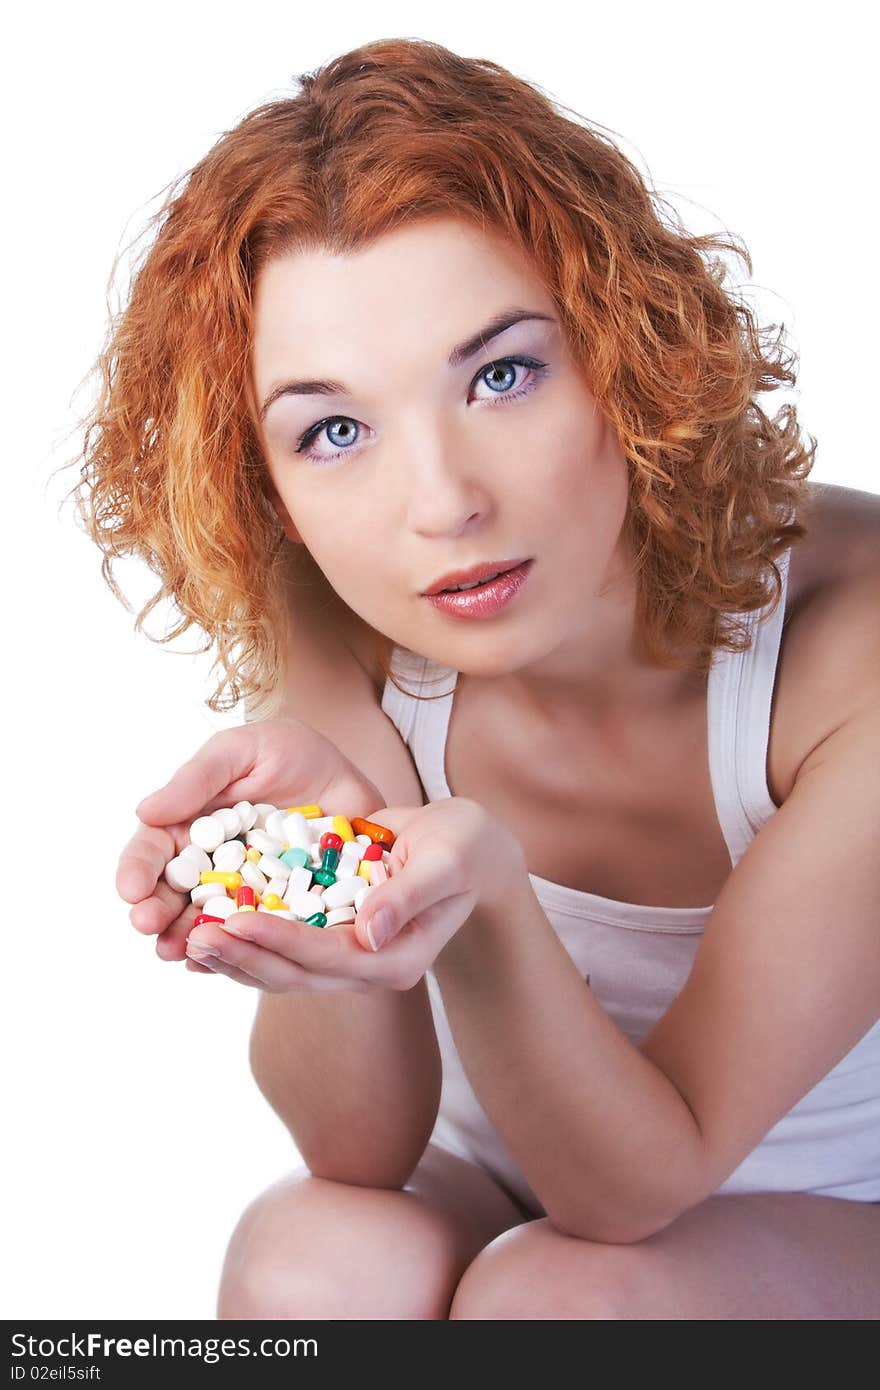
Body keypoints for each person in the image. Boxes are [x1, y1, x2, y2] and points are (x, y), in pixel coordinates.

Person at [70, 37, 880, 1319]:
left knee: (560, 1298)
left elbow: (631, 1194)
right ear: (262, 480)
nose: (440, 505)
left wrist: (489, 893)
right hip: (511, 1185)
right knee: (314, 1252)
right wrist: (335, 863)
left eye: (500, 373)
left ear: (628, 350)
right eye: (334, 431)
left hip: (823, 1223)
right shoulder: (340, 607)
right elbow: (359, 1149)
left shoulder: (852, 645)